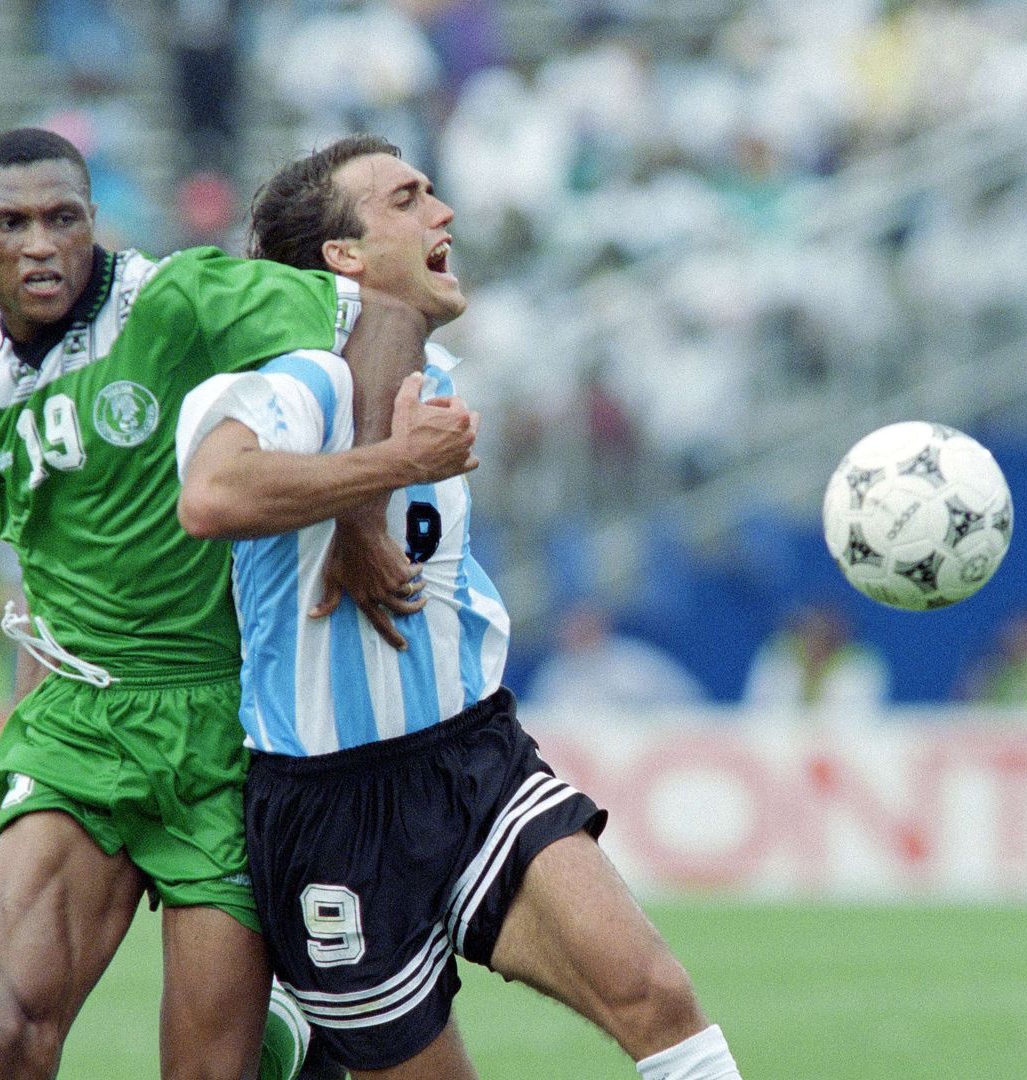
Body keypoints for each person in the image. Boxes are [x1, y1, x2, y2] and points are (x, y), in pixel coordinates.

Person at [0, 127, 478, 1080]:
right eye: (11, 224)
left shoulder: (179, 298)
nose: (41, 243)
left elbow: (382, 313)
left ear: (95, 223)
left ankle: (293, 1045)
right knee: (10, 1029)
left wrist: (361, 522)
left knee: (213, 1071)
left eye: (63, 218)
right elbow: (44, 601)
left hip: (223, 729)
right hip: (80, 731)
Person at [177, 135, 743, 1080]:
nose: (443, 214)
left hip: (473, 759)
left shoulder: (433, 386)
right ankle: (300, 1022)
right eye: (407, 200)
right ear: (343, 258)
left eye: (434, 191)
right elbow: (211, 499)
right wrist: (392, 470)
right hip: (330, 808)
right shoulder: (293, 381)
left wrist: (376, 496)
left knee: (658, 996)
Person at [524, 600, 709, 712]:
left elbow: (688, 704)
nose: (579, 631)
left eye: (586, 623)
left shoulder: (634, 662)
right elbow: (543, 726)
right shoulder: (552, 675)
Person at [741, 601, 888, 730]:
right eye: (812, 630)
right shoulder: (780, 654)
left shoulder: (859, 663)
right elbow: (760, 709)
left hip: (837, 748)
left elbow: (858, 720)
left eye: (825, 634)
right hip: (779, 746)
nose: (817, 639)